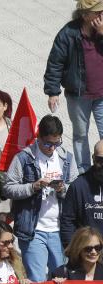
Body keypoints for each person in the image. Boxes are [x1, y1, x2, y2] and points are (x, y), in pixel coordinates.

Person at [4, 116, 78, 281]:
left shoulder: (67, 159)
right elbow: (8, 188)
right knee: (37, 280)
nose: (52, 148)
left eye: (56, 143)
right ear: (38, 138)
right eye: (47, 144)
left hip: (60, 229)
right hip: (33, 230)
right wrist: (33, 186)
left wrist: (62, 188)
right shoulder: (24, 158)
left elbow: (75, 188)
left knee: (61, 279)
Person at [44, 0, 103, 172]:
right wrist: (53, 91)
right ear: (85, 15)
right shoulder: (68, 33)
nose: (102, 15)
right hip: (78, 96)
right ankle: (84, 172)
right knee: (80, 135)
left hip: (102, 96)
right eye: (97, 12)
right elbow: (55, 63)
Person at [60, 139, 103, 245]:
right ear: (93, 158)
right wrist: (71, 249)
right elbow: (67, 221)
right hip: (88, 252)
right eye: (99, 160)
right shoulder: (78, 186)